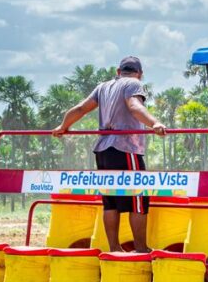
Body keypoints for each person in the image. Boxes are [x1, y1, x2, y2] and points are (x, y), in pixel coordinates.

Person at [52, 56, 166, 253]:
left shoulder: (103, 86)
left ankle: (114, 247)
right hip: (126, 148)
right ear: (139, 73)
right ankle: (140, 248)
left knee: (110, 200)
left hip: (103, 150)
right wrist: (154, 123)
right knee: (138, 199)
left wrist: (63, 126)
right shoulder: (133, 84)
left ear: (118, 71)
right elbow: (134, 106)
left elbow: (81, 108)